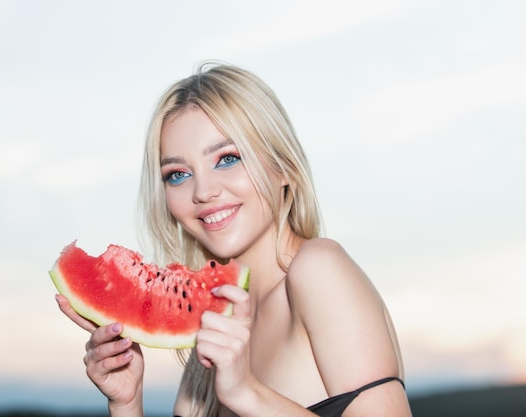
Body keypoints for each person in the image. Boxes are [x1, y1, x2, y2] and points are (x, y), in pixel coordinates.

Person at [56, 62, 412, 417]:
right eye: (178, 174)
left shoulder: (318, 269)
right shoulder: (211, 327)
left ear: (283, 167)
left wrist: (246, 393)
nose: (204, 192)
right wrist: (126, 403)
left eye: (227, 158)